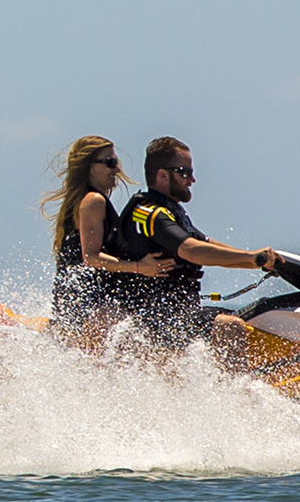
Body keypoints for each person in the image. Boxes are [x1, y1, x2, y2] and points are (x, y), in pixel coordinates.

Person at [117, 136, 280, 356]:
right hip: (156, 318)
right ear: (162, 175)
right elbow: (191, 250)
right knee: (230, 327)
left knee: (261, 317)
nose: (192, 179)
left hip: (180, 314)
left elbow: (206, 244)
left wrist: (258, 261)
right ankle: (233, 391)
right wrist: (252, 257)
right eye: (184, 172)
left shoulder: (171, 211)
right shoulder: (149, 213)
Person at [40, 135, 176, 346]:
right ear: (89, 166)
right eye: (110, 163)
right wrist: (140, 267)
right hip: (87, 304)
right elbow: (91, 257)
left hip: (74, 302)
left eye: (117, 163)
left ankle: (22, 322)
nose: (117, 170)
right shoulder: (93, 201)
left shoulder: (84, 200)